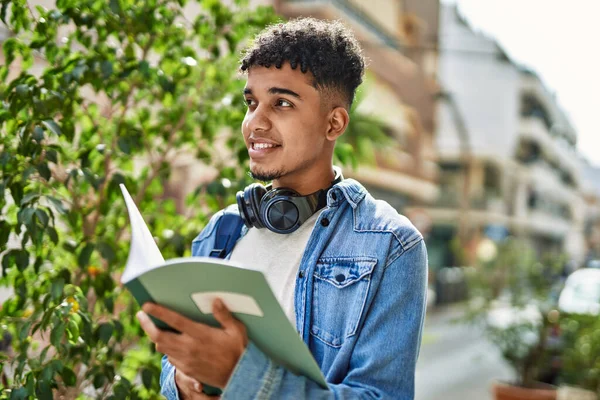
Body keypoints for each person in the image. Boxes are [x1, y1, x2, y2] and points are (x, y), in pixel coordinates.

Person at [137, 17, 428, 399]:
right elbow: (175, 369)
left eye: (282, 103)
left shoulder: (391, 245)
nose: (254, 123)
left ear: (334, 123)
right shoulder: (219, 232)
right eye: (251, 103)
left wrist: (242, 375)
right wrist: (183, 382)